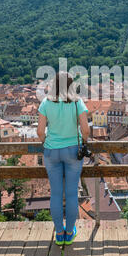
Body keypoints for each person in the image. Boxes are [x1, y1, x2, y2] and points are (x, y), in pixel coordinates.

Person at [37, 71, 90, 246]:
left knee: (56, 194)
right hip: (73, 152)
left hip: (52, 152)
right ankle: (70, 232)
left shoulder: (46, 102)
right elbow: (85, 130)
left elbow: (39, 132)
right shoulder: (77, 103)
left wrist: (49, 142)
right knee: (72, 194)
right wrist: (84, 142)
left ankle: (59, 234)